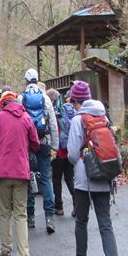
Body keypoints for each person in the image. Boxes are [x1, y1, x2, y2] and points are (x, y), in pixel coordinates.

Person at [67, 81, 120, 256]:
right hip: (105, 177)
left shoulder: (77, 120)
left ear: (76, 101)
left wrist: (80, 161)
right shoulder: (104, 117)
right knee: (106, 225)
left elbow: (72, 154)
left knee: (81, 222)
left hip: (84, 180)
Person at [0, 91, 40, 256]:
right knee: (21, 214)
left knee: (4, 212)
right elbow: (35, 143)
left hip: (2, 171)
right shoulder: (26, 117)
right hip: (21, 171)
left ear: (3, 103)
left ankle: (6, 251)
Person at [19, 68, 58, 233]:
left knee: (29, 177)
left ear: (26, 81)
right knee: (46, 179)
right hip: (44, 143)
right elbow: (53, 123)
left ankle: (31, 216)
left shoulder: (21, 98)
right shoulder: (45, 98)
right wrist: (55, 146)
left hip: (28, 145)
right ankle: (49, 217)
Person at [46, 88, 76, 218]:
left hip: (57, 151)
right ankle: (77, 204)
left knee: (56, 179)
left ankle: (59, 207)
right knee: (69, 178)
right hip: (68, 150)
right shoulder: (67, 111)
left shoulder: (51, 112)